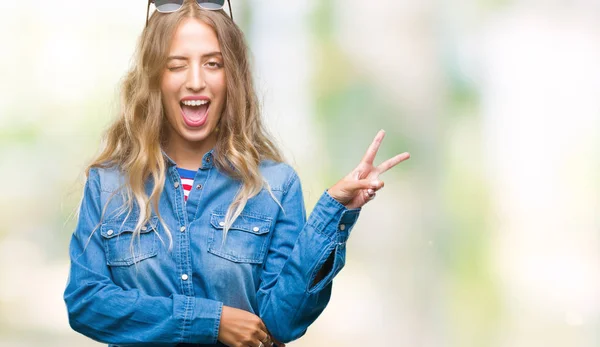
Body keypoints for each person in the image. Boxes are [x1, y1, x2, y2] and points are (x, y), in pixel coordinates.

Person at [63, 1, 410, 346]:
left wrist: (333, 212)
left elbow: (282, 323)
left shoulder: (276, 186)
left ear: (233, 76)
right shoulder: (108, 183)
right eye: (177, 65)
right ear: (155, 78)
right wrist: (210, 322)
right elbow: (86, 303)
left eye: (213, 64)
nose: (196, 81)